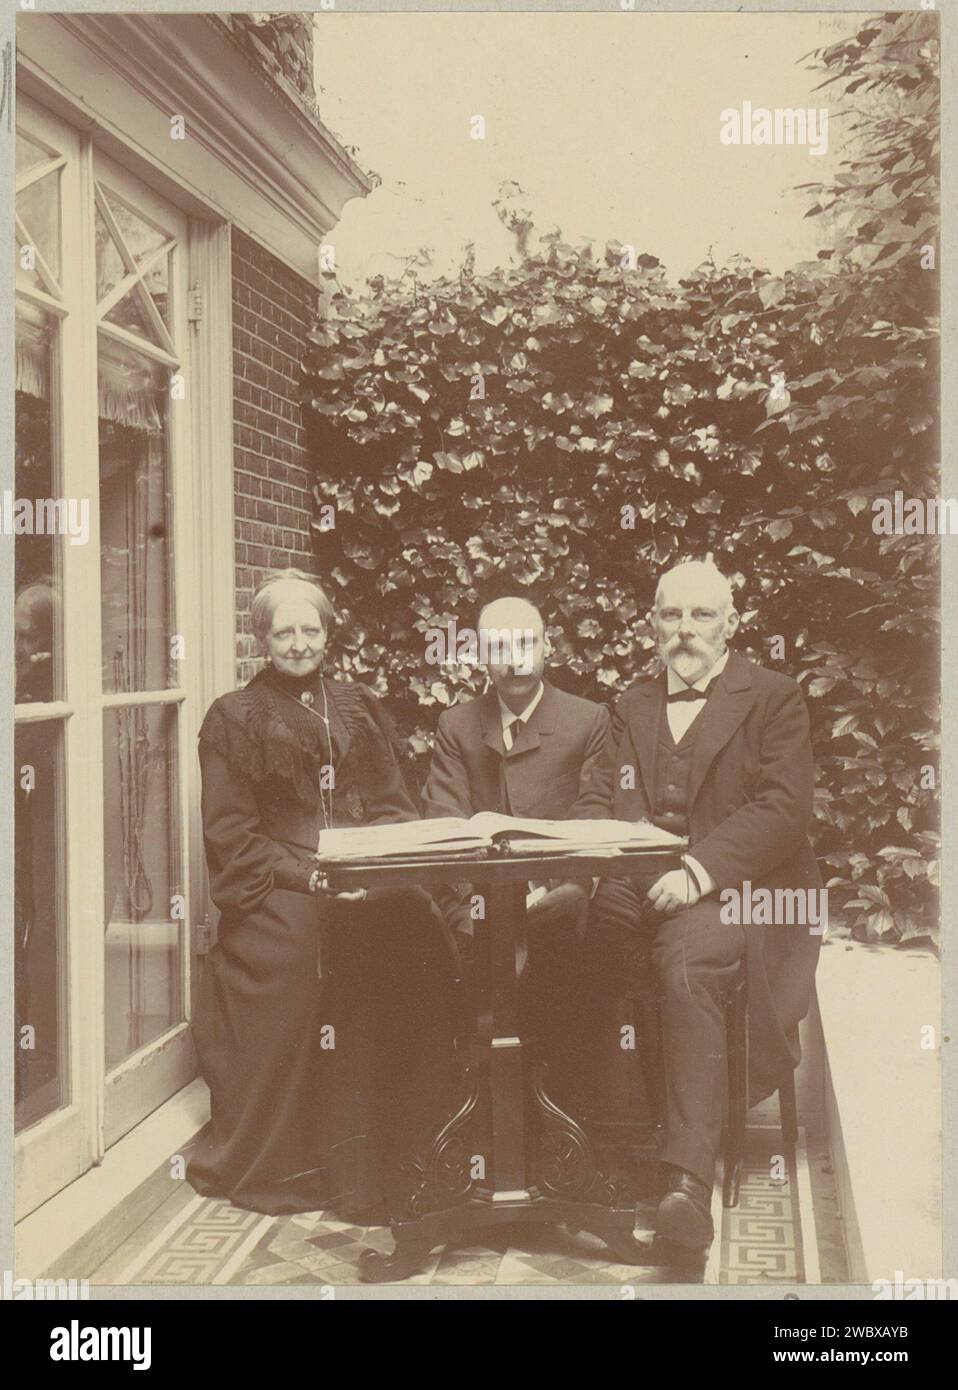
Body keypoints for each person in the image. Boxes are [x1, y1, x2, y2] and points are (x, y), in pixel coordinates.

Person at [187, 569, 458, 1220]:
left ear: (329, 634)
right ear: (263, 639)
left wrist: (379, 865)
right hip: (280, 880)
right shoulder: (232, 718)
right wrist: (308, 876)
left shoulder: (357, 706)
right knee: (293, 959)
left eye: (311, 629)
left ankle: (403, 1153)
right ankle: (296, 1159)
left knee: (417, 934)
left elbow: (394, 805)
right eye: (284, 631)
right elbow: (231, 833)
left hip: (359, 872)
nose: (299, 643)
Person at [576, 560, 822, 1254]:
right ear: (653, 624)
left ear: (731, 625)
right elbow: (604, 796)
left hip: (747, 890)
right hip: (641, 878)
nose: (685, 631)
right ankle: (592, 1149)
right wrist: (605, 865)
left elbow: (783, 810)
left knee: (688, 963)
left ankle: (686, 1185)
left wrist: (698, 870)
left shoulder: (774, 696)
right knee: (580, 939)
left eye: (701, 615)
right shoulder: (632, 704)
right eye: (671, 616)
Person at [421, 592, 609, 1103]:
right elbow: (445, 819)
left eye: (527, 643)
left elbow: (594, 813)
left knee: (564, 966)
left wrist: (552, 887)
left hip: (558, 899)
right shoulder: (457, 726)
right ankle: (484, 1114)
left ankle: (556, 1109)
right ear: (482, 657)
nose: (516, 659)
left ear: (548, 647)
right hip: (478, 908)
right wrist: (468, 903)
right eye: (500, 647)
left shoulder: (587, 720)